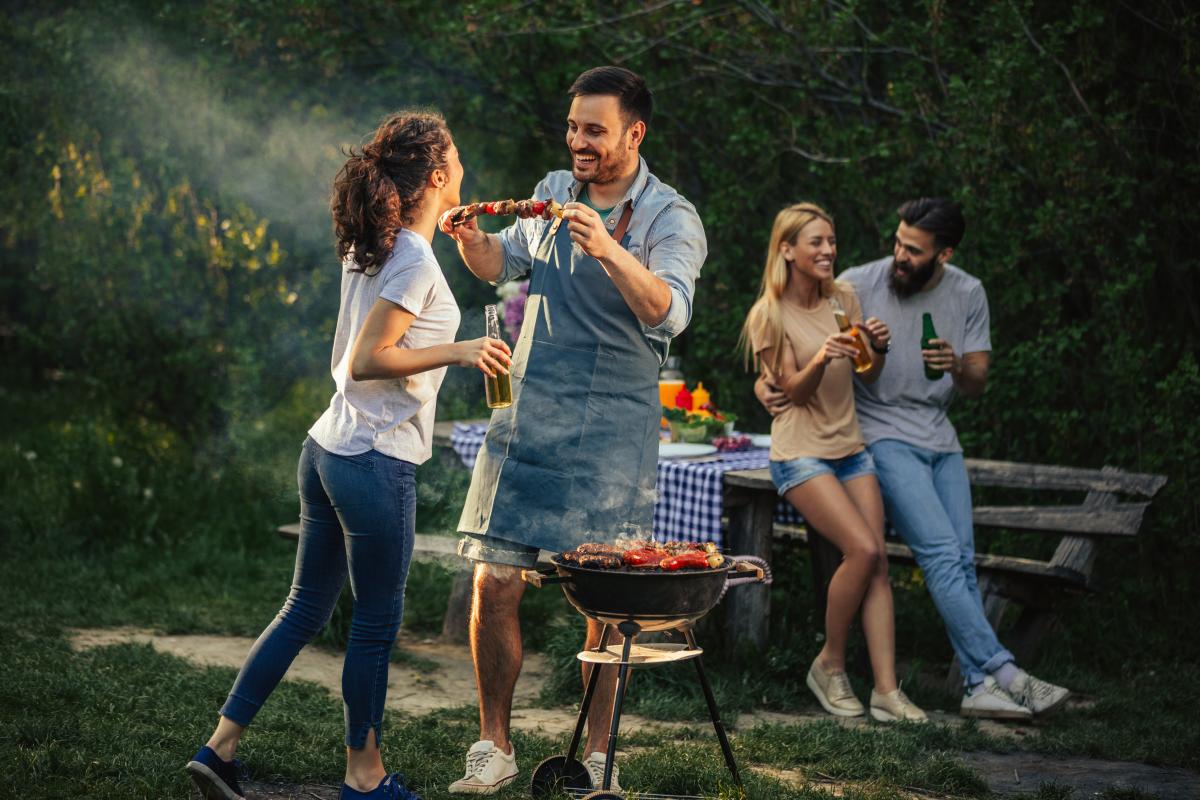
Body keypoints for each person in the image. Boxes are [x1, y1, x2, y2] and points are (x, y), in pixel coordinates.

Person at [185, 110, 512, 800]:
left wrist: (448, 253)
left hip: (327, 447)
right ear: (437, 174)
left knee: (304, 608)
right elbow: (369, 358)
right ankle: (364, 776)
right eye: (455, 158)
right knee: (374, 623)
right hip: (373, 458)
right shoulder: (411, 257)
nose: (463, 167)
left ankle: (219, 749)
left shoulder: (379, 244)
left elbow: (383, 330)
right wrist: (459, 350)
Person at [438, 66, 706, 794]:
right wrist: (471, 239)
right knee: (494, 579)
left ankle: (598, 759)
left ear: (634, 133)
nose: (578, 141)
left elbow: (671, 313)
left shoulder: (670, 218)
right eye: (573, 127)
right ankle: (494, 744)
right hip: (530, 412)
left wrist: (608, 247)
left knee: (606, 604)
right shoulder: (553, 189)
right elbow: (503, 264)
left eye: (595, 129)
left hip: (615, 426)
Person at [756, 198, 1071, 720]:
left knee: (958, 559)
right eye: (898, 243)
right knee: (939, 555)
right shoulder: (860, 282)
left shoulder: (965, 292)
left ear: (943, 254)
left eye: (913, 250)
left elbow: (975, 381)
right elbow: (789, 349)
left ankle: (974, 684)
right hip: (878, 435)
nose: (899, 256)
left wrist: (951, 366)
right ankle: (1005, 671)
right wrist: (766, 383)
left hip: (937, 437)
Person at [740, 202, 928, 724]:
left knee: (878, 562)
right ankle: (830, 663)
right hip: (800, 454)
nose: (827, 251)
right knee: (862, 548)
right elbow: (793, 394)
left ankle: (887, 693)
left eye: (831, 241)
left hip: (850, 448)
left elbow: (866, 373)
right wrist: (822, 355)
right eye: (816, 243)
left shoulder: (843, 297)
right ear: (787, 251)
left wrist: (878, 348)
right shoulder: (768, 315)